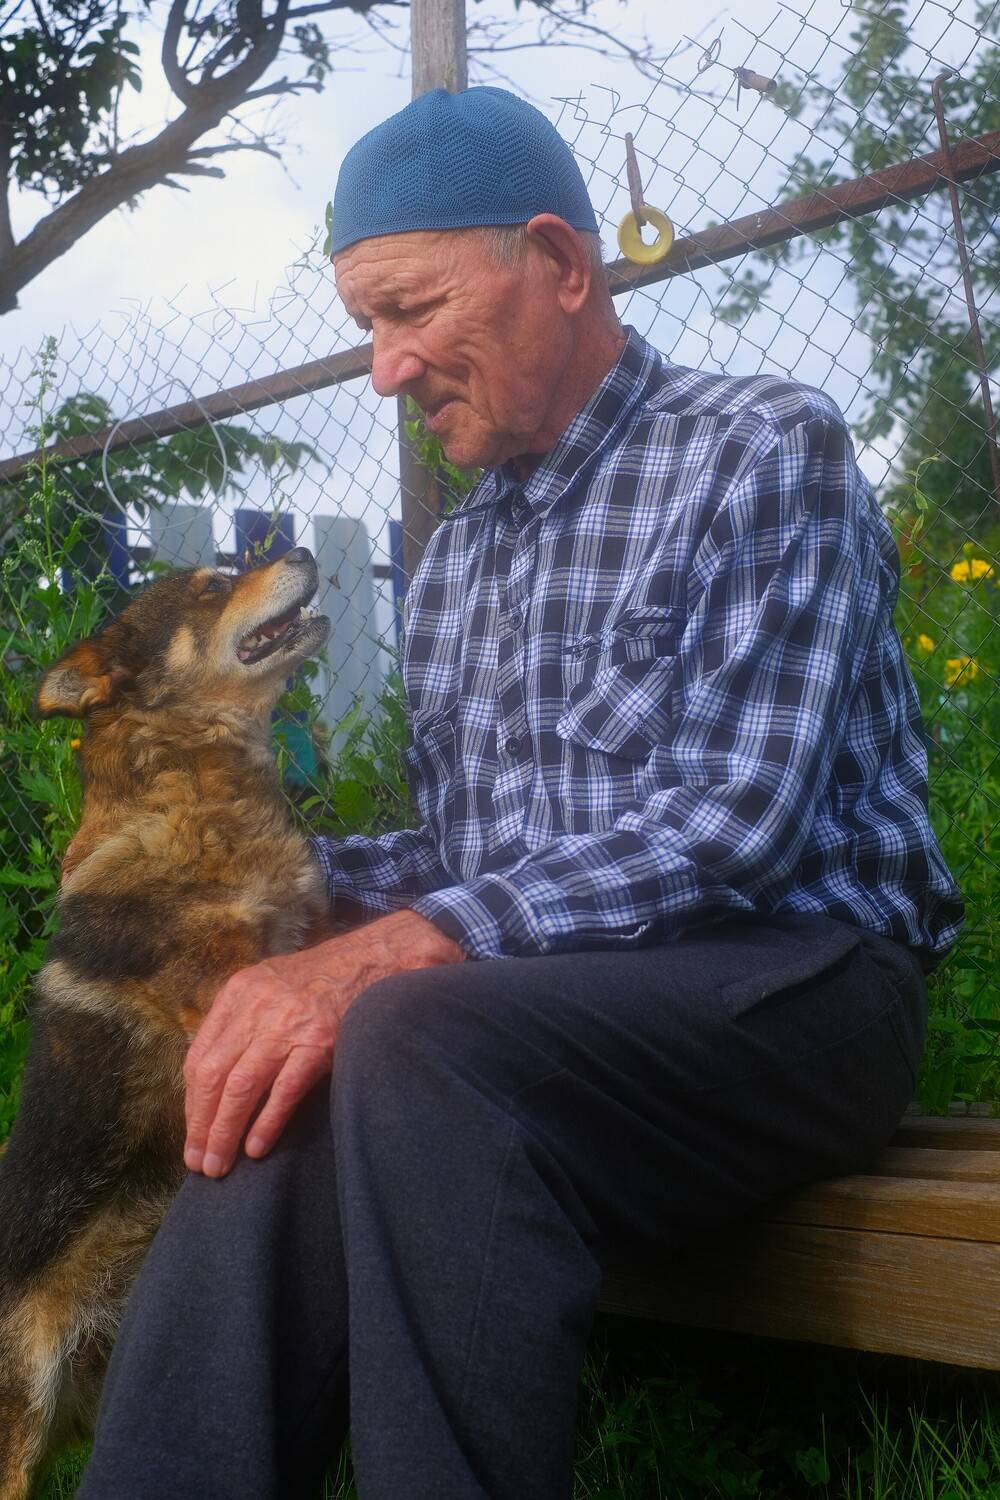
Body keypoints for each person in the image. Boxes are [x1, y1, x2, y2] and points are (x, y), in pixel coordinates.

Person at [77, 87, 963, 1500]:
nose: (385, 368)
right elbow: (473, 852)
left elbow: (736, 821)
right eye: (366, 325)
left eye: (411, 310)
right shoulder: (464, 552)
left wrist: (383, 957)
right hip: (549, 1008)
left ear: (556, 262)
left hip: (800, 983)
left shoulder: (757, 448)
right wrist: (240, 894)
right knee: (279, 1052)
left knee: (405, 1026)